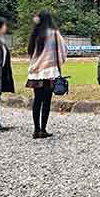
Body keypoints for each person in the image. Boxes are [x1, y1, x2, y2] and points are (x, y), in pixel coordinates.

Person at [26, 10, 67, 139]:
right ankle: (43, 129)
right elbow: (63, 50)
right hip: (50, 71)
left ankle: (36, 130)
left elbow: (30, 53)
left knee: (37, 101)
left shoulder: (35, 34)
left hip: (36, 72)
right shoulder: (54, 34)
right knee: (47, 102)